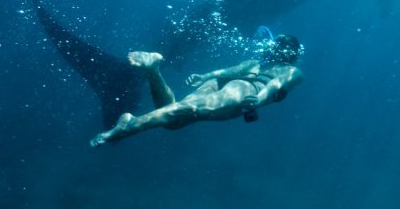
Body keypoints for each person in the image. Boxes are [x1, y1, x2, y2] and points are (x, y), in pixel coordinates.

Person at [90, 34, 304, 147]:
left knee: (175, 116)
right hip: (244, 90)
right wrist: (258, 99)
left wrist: (206, 77)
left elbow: (228, 70)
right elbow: (274, 85)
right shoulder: (293, 70)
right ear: (294, 55)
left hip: (224, 84)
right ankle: (131, 125)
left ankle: (154, 70)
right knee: (187, 110)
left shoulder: (255, 62)